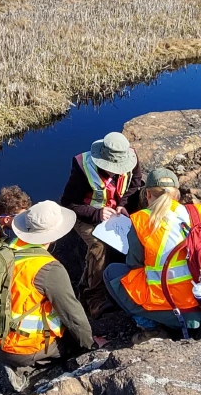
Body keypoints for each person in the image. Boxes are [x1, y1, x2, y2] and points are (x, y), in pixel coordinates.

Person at [102, 168, 201, 341]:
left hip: (178, 312)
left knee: (112, 273)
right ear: (177, 195)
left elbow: (135, 264)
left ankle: (151, 330)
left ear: (147, 194)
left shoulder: (141, 221)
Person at [0, 200, 99, 392]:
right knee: (71, 343)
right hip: (17, 348)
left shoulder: (3, 248)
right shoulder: (48, 269)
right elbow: (73, 315)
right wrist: (90, 345)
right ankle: (26, 369)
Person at [60, 132, 144, 315]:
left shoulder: (132, 157)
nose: (116, 171)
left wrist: (122, 205)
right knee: (99, 247)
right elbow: (68, 203)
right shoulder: (83, 168)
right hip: (87, 216)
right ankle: (93, 298)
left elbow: (135, 185)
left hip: (117, 213)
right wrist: (97, 213)